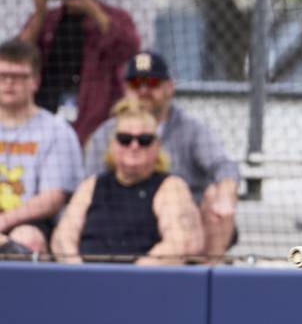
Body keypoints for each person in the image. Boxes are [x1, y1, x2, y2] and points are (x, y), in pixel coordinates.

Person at [85, 51, 239, 260]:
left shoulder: (191, 129)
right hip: (122, 219)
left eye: (152, 83)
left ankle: (209, 273)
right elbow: (90, 186)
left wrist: (225, 196)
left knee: (214, 196)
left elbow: (224, 165)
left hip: (182, 222)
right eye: (136, 84)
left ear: (169, 87)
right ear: (126, 89)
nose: (143, 90)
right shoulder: (106, 133)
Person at [51, 99, 203, 264]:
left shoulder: (171, 187)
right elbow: (63, 237)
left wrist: (133, 274)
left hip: (145, 277)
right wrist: (78, 269)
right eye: (125, 139)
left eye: (144, 140)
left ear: (157, 146)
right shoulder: (91, 185)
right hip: (86, 274)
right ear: (112, 144)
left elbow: (179, 243)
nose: (134, 146)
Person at [19, 0, 139, 145]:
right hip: (43, 123)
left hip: (92, 127)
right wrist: (39, 12)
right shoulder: (46, 20)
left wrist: (91, 8)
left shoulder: (113, 17)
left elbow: (129, 48)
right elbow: (17, 57)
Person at [0, 38, 83, 256]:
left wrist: (4, 221)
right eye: (2, 75)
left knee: (27, 239)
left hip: (31, 223)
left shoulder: (56, 131)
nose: (9, 83)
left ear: (35, 81)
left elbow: (52, 198)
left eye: (18, 76)